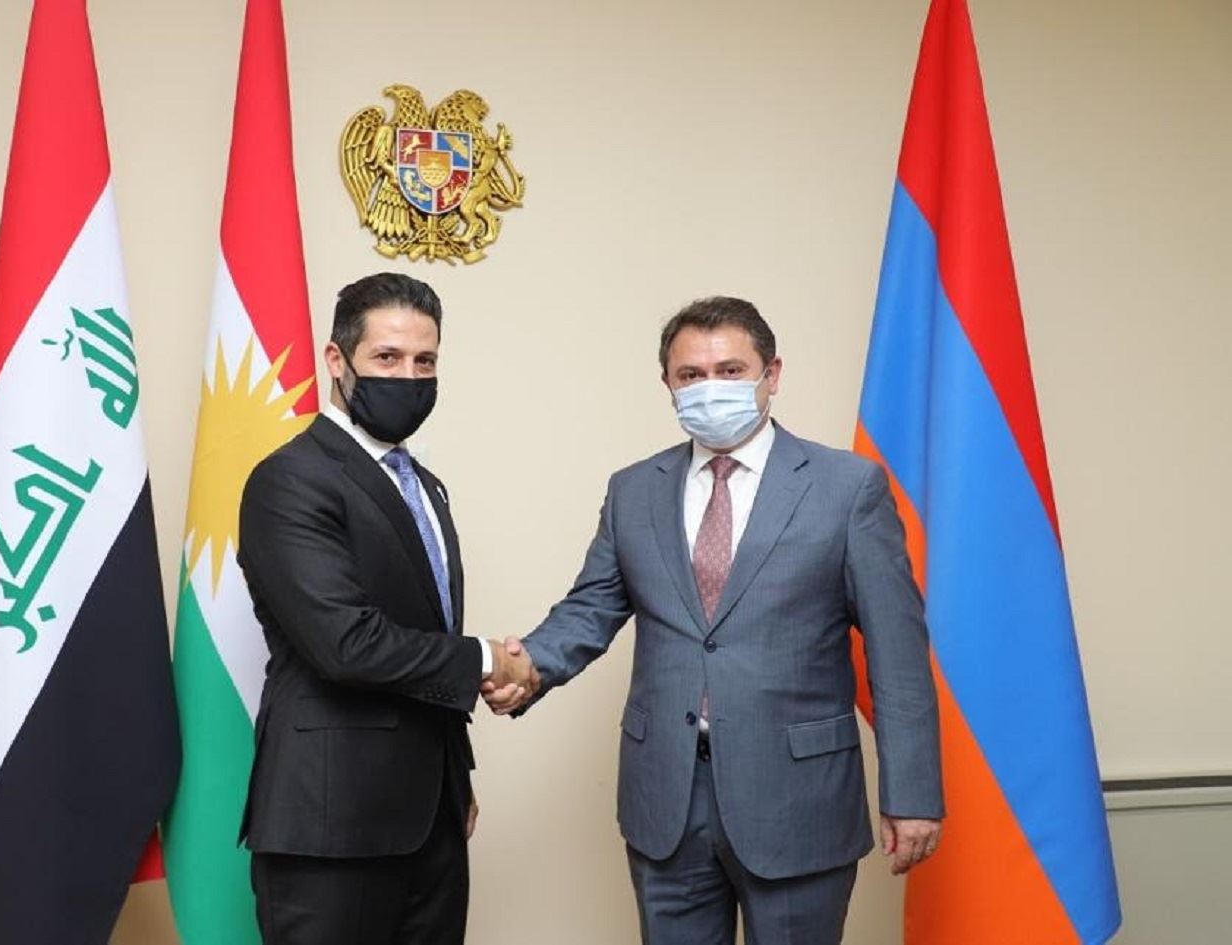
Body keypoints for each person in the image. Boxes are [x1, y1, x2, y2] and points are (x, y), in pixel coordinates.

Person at [485, 296, 944, 945]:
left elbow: (898, 651)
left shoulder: (848, 488)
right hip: (666, 799)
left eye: (730, 371)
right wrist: (528, 665)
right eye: (691, 375)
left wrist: (913, 792)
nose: (710, 387)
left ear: (771, 374)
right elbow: (591, 606)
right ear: (667, 384)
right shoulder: (633, 490)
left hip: (798, 799)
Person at [237, 272, 530, 945]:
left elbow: (426, 630)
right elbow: (346, 643)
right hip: (330, 827)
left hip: (432, 821)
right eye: (388, 358)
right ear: (337, 360)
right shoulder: (290, 478)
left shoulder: (424, 485)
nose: (409, 377)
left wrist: (452, 779)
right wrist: (488, 659)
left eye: (425, 361)